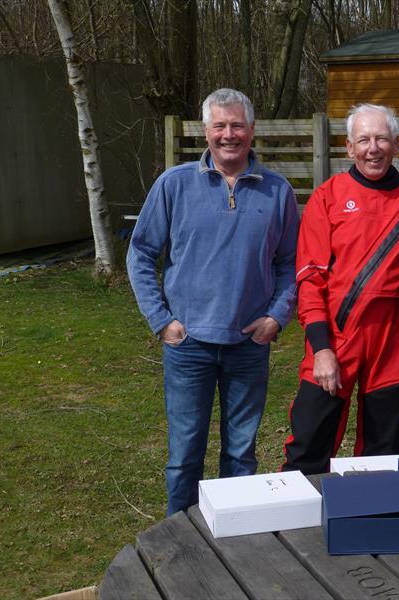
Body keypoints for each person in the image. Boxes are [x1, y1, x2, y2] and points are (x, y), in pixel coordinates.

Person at [127, 88, 299, 514]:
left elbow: (292, 264)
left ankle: (233, 539)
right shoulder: (174, 184)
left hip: (248, 345)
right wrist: (161, 319)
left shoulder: (277, 192)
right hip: (189, 345)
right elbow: (141, 252)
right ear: (205, 131)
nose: (229, 135)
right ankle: (179, 539)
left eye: (237, 125)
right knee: (185, 455)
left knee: (240, 455)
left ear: (252, 131)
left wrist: (277, 317)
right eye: (219, 125)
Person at [281, 103, 399, 475]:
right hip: (336, 335)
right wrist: (322, 349)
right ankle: (298, 526)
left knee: (385, 448)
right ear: (349, 148)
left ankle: (369, 523)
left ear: (396, 145)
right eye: (363, 140)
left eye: (381, 138)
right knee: (309, 441)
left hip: (394, 336)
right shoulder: (327, 197)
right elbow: (310, 280)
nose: (373, 148)